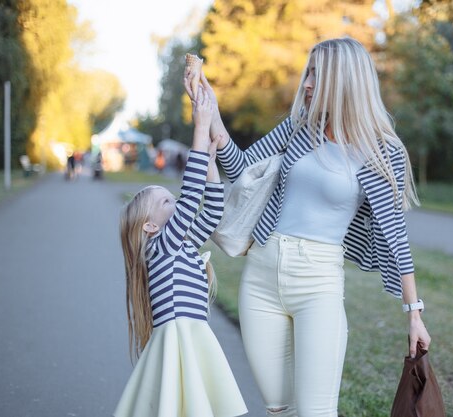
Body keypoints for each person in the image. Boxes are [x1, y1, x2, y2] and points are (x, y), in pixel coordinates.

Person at [185, 37, 431, 417]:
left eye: (317, 73)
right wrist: (212, 112)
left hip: (319, 283)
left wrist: (413, 314)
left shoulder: (381, 150)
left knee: (315, 411)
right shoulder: (301, 128)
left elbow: (396, 235)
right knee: (278, 407)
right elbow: (240, 168)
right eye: (309, 72)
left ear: (344, 80)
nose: (308, 82)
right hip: (262, 277)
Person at [115, 87, 247, 417]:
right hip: (178, 342)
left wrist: (212, 164)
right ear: (150, 226)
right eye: (164, 202)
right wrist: (200, 130)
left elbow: (212, 210)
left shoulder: (182, 246)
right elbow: (190, 199)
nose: (173, 201)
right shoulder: (162, 248)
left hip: (193, 338)